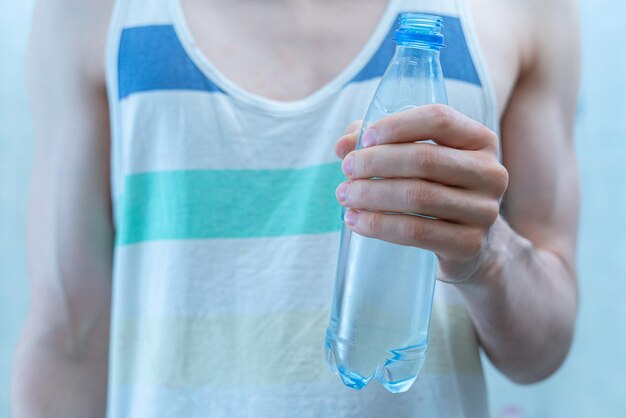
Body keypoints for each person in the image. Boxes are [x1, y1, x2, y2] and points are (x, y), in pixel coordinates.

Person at [12, 0, 580, 416]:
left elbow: (542, 350)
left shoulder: (523, 11)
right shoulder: (88, 13)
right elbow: (71, 336)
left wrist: (488, 255)